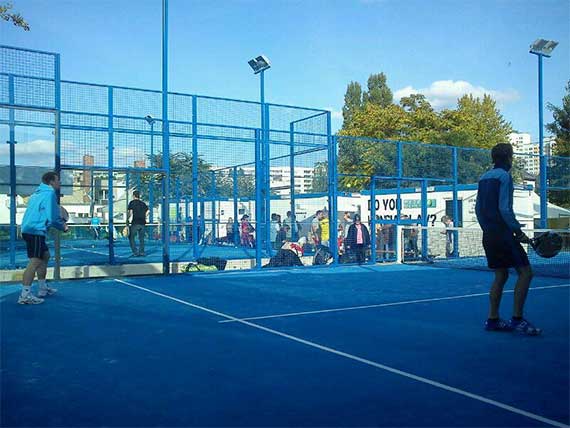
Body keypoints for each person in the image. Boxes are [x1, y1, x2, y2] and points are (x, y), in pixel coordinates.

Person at [475, 143, 540, 336]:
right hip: (502, 233)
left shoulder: (483, 177)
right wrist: (517, 232)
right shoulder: (504, 176)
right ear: (509, 157)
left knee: (501, 275)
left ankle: (493, 319)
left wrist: (488, 228)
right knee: (526, 273)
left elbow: (479, 209)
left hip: (489, 234)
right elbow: (505, 208)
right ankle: (517, 319)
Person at [18, 171, 68, 304]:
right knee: (35, 261)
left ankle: (42, 288)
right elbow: (52, 217)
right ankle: (25, 295)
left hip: (30, 229)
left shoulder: (37, 193)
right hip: (35, 231)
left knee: (45, 255)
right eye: (58, 180)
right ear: (51, 182)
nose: (60, 182)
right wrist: (62, 226)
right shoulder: (49, 193)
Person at [127, 190, 149, 257]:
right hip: (142, 223)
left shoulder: (132, 203)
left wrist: (127, 220)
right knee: (141, 238)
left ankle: (135, 252)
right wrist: (144, 217)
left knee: (131, 237)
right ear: (139, 196)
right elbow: (148, 211)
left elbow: (130, 212)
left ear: (133, 196)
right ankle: (142, 252)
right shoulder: (143, 203)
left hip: (135, 222)